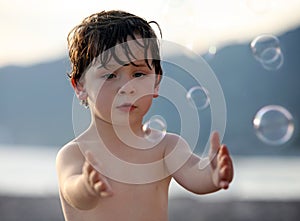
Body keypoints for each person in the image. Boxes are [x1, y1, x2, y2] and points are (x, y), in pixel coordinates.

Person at [56, 10, 234, 221]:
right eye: (110, 75)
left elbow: (195, 173)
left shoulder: (165, 146)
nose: (127, 87)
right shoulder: (76, 153)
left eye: (138, 74)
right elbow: (73, 192)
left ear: (156, 82)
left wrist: (212, 175)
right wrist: (86, 185)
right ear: (80, 86)